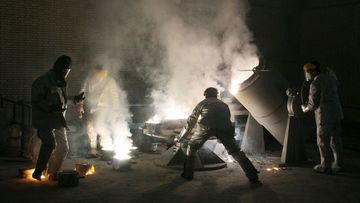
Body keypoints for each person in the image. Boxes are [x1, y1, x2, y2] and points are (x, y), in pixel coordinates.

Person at [175, 87, 260, 184]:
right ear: (216, 95)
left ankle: (188, 175)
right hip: (225, 129)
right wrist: (227, 136)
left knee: (192, 146)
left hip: (206, 128)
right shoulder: (224, 105)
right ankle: (253, 176)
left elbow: (191, 122)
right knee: (236, 151)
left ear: (205, 95)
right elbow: (227, 120)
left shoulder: (202, 104)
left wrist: (181, 137)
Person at [31, 55, 72, 181]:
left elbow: (62, 101)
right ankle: (38, 170)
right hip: (45, 119)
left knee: (64, 148)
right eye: (64, 69)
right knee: (49, 143)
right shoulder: (42, 82)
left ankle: (52, 173)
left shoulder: (60, 82)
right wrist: (49, 107)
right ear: (58, 67)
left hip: (58, 119)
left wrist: (74, 100)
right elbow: (36, 101)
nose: (66, 73)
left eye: (67, 70)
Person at [301, 61, 344, 174]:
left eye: (307, 72)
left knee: (323, 141)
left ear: (313, 71)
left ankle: (325, 166)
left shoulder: (315, 84)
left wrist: (304, 108)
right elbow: (337, 84)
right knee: (335, 140)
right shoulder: (330, 78)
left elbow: (313, 104)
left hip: (324, 116)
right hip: (336, 113)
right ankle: (338, 164)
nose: (306, 75)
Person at [80, 65, 121, 157]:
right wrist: (81, 106)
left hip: (103, 109)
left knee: (101, 127)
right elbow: (82, 92)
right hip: (90, 108)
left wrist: (116, 110)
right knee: (91, 128)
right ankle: (93, 149)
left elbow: (114, 96)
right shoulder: (89, 79)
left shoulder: (110, 81)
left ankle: (106, 148)